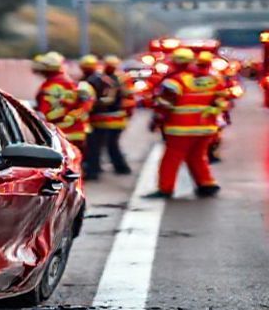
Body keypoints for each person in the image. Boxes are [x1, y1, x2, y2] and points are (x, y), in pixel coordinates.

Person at [145, 47, 227, 199]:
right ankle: (206, 184)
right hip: (206, 127)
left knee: (172, 158)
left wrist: (156, 121)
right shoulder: (212, 78)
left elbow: (164, 105)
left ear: (174, 62)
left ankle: (166, 188)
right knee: (197, 156)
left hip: (181, 128)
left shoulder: (174, 81)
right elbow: (221, 100)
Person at [79, 54, 131, 179]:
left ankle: (94, 171)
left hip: (104, 118)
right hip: (113, 117)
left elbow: (106, 100)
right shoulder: (107, 79)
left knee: (96, 146)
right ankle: (119, 168)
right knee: (109, 145)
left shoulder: (93, 80)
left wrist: (92, 105)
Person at [33, 52, 88, 152]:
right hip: (77, 132)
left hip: (61, 133)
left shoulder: (50, 85)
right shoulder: (71, 83)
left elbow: (44, 112)